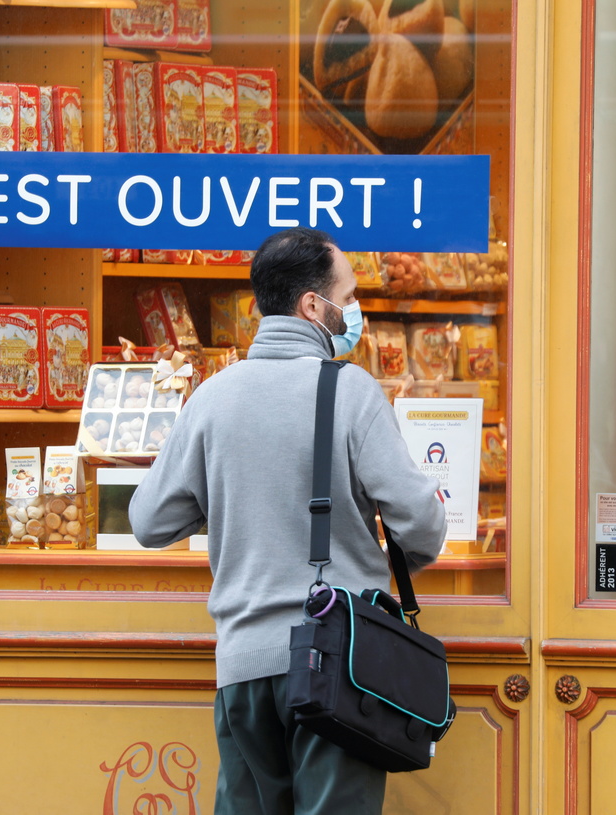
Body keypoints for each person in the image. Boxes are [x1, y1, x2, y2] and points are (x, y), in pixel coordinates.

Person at [129, 227, 447, 815]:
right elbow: (422, 525)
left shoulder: (211, 398)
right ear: (312, 306)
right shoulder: (352, 393)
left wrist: (229, 499)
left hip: (243, 667)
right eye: (348, 298)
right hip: (339, 665)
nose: (355, 310)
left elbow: (149, 521)